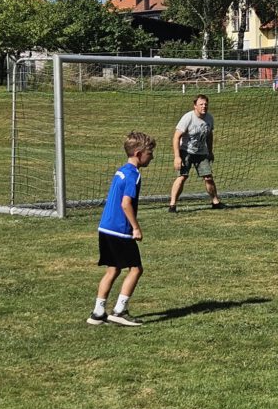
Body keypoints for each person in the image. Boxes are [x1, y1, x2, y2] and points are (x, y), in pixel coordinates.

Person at [88, 131, 157, 327]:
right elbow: (126, 203)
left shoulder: (121, 171)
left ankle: (98, 312)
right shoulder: (133, 175)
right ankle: (119, 310)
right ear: (138, 153)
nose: (151, 156)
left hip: (105, 228)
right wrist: (135, 227)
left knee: (113, 269)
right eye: (149, 153)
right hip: (119, 230)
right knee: (136, 269)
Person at [168, 94, 224, 212]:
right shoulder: (188, 118)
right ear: (195, 106)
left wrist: (210, 151)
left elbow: (209, 135)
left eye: (206, 104)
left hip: (201, 153)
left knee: (208, 177)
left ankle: (215, 202)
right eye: (201, 104)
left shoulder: (209, 118)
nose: (204, 106)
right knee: (182, 177)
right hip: (186, 151)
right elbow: (176, 137)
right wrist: (177, 157)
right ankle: (172, 205)